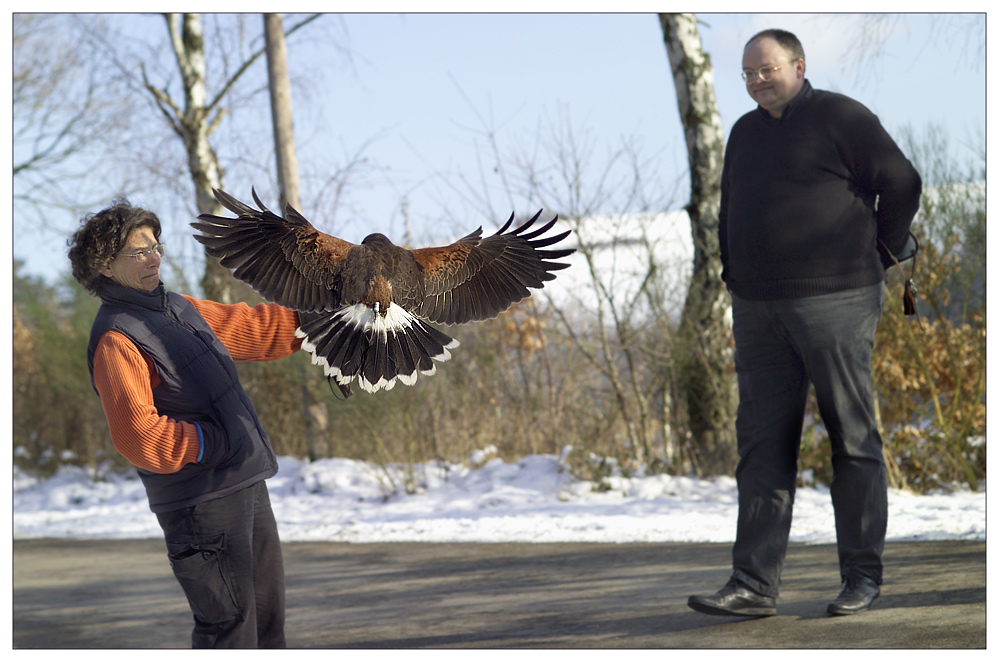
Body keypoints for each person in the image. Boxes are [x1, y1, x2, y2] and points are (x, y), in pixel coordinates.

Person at [687, 29, 922, 618]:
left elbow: (902, 182)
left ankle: (861, 579)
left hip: (836, 300)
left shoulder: (841, 116)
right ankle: (753, 585)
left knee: (853, 439)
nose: (757, 81)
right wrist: (733, 272)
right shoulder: (742, 133)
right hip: (757, 308)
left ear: (798, 64)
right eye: (747, 73)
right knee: (762, 446)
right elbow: (730, 206)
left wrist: (885, 251)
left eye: (766, 69)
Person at [69, 200, 302, 647]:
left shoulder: (177, 308)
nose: (153, 257)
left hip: (244, 484)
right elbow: (140, 437)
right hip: (200, 505)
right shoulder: (117, 338)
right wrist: (211, 442)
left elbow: (251, 327)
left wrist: (317, 322)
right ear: (104, 267)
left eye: (155, 246)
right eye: (138, 253)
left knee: (269, 624)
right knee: (230, 630)